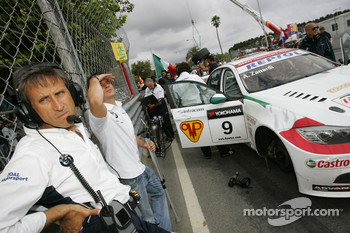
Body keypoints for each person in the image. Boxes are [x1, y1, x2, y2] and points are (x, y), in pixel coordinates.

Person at [0, 63, 169, 233]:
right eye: (43, 99)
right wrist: (56, 214)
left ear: (74, 93)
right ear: (28, 111)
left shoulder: (75, 127)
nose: (58, 106)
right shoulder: (32, 153)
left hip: (127, 218)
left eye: (60, 93)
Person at [88, 73, 172, 231]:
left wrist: (145, 145)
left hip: (140, 169)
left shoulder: (118, 107)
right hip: (128, 177)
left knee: (159, 192)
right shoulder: (100, 115)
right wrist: (94, 79)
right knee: (147, 218)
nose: (106, 85)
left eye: (108, 82)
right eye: (101, 84)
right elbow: (94, 101)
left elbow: (130, 135)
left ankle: (163, 229)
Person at [176, 62, 234, 159]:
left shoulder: (177, 82)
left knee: (199, 131)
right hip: (201, 106)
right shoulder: (194, 77)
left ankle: (207, 154)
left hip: (187, 109)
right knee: (212, 129)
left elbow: (177, 98)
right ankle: (223, 151)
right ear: (188, 69)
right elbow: (206, 90)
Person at [144, 76, 174, 142]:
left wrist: (153, 105)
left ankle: (171, 136)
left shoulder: (159, 88)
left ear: (153, 82)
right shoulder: (147, 89)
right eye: (148, 86)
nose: (150, 87)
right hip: (154, 107)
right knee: (160, 123)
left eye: (150, 86)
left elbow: (161, 101)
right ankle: (167, 135)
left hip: (161, 106)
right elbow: (146, 96)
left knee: (166, 121)